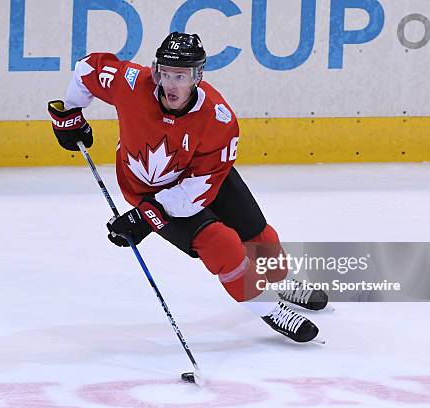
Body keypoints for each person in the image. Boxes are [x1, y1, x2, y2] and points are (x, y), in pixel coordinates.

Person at [47, 32, 327, 343]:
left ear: (197, 76)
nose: (170, 84)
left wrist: (145, 218)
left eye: (180, 75)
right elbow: (88, 69)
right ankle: (270, 309)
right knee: (223, 246)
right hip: (144, 190)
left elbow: (198, 193)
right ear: (156, 71)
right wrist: (70, 114)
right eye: (164, 73)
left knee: (260, 237)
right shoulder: (131, 84)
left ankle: (281, 280)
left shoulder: (219, 119)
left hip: (202, 179)